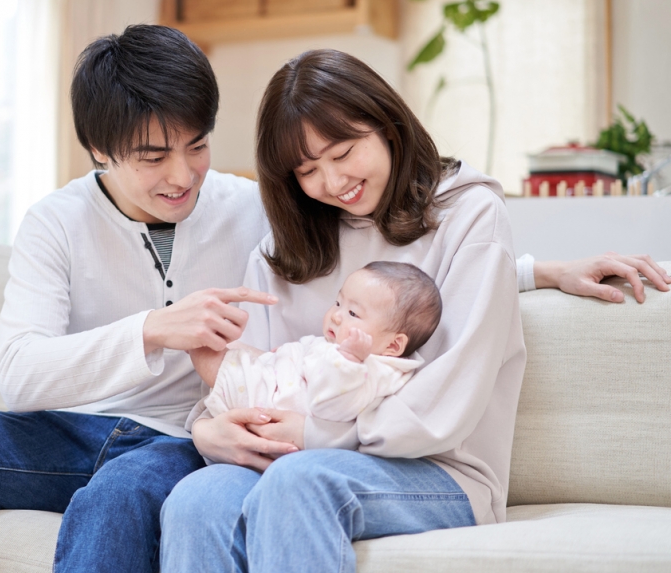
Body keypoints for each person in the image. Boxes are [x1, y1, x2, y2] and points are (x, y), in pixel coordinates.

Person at [0, 26, 670, 573]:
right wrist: (184, 377)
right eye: (306, 169)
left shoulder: (324, 209)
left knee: (230, 488)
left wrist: (541, 270)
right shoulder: (271, 225)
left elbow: (428, 305)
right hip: (166, 433)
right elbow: (258, 358)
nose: (182, 175)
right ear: (100, 152)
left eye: (198, 146)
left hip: (345, 454)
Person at [158, 49, 671, 573]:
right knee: (196, 499)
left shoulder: (467, 213)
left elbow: (446, 402)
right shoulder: (283, 251)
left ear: (386, 124)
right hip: (290, 457)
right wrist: (209, 429)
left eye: (343, 152)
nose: (332, 183)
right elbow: (248, 376)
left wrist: (314, 434)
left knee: (302, 481)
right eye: (307, 170)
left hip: (436, 470)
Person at [190, 261, 439, 423]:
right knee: (226, 344)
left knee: (202, 345)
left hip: (265, 400)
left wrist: (349, 361)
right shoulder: (347, 347)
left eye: (353, 314)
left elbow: (333, 406)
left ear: (393, 346)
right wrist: (291, 353)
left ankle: (189, 336)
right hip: (272, 376)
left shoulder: (374, 371)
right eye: (339, 303)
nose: (336, 315)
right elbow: (315, 352)